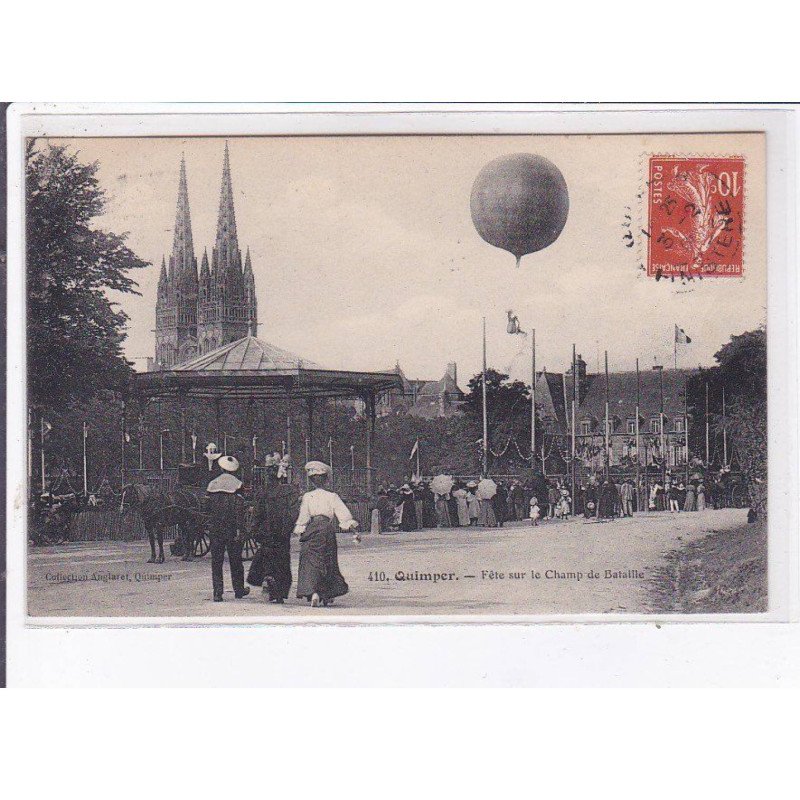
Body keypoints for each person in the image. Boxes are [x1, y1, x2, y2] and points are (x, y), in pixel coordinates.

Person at [293, 461, 357, 608]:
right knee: (328, 560)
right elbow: (344, 516)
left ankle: (314, 592)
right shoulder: (332, 496)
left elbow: (303, 517)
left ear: (311, 480)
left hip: (313, 529)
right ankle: (327, 593)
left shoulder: (308, 496)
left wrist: (300, 530)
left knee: (311, 560)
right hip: (327, 530)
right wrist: (354, 531)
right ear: (326, 479)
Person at [251, 455, 299, 603]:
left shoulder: (262, 491)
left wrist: (255, 529)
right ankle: (280, 593)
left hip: (266, 531)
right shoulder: (290, 491)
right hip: (282, 531)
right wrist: (288, 528)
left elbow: (257, 513)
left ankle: (268, 582)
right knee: (283, 560)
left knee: (267, 557)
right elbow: (293, 513)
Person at [205, 455, 250, 602]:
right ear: (233, 469)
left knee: (216, 561)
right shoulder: (237, 484)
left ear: (221, 468)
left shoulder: (212, 484)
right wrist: (241, 529)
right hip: (231, 528)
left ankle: (218, 593)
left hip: (215, 528)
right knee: (236, 560)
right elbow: (240, 509)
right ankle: (239, 590)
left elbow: (206, 508)